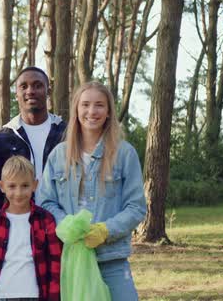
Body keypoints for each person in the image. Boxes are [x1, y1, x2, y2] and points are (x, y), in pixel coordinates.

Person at [38, 81, 146, 300]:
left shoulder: (125, 154)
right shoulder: (58, 155)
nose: (91, 111)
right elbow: (45, 202)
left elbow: (136, 207)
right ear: (76, 110)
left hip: (112, 261)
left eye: (99, 105)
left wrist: (105, 230)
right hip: (71, 259)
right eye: (85, 104)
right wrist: (66, 224)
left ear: (108, 112)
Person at [0, 66, 66, 220]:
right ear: (17, 93)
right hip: (17, 226)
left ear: (48, 91)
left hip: (61, 224)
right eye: (24, 86)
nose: (30, 91)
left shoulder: (65, 133)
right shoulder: (2, 139)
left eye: (37, 85)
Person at [0, 156, 61, 301]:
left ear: (35, 185)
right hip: (1, 296)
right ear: (1, 186)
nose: (18, 193)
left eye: (25, 186)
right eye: (12, 186)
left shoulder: (46, 221)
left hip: (35, 296)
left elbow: (55, 265)